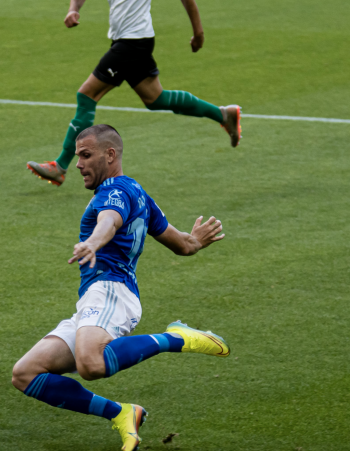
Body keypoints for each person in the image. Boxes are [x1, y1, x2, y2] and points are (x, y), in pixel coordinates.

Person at [13, 125, 230, 450]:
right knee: (26, 373)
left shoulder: (114, 192)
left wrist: (92, 243)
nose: (78, 164)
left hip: (111, 290)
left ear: (110, 154)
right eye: (77, 156)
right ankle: (122, 413)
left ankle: (176, 338)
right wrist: (194, 241)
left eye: (86, 155)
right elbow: (182, 244)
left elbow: (109, 222)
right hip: (94, 300)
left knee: (91, 363)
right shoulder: (137, 193)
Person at [27, 0, 242, 187]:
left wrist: (199, 33)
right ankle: (223, 114)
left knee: (87, 95)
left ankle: (61, 165)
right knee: (156, 98)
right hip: (130, 41)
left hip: (133, 43)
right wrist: (73, 9)